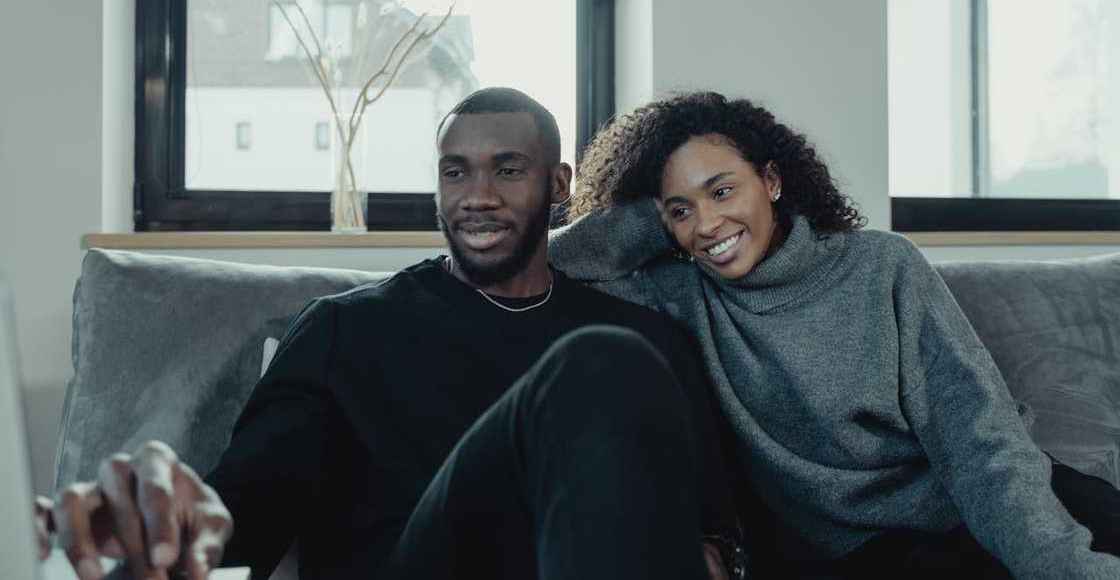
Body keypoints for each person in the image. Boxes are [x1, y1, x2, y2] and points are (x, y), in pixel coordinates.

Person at [38, 88, 745, 580]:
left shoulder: (645, 340)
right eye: (456, 171)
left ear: (557, 183)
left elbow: (716, 534)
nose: (479, 196)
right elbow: (244, 511)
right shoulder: (347, 330)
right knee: (602, 364)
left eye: (508, 169)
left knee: (612, 363)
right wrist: (165, 526)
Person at [549, 90, 1120, 579]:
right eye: (681, 210)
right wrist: (657, 208)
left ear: (771, 180)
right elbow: (558, 262)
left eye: (723, 191)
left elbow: (977, 439)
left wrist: (1059, 564)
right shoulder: (679, 295)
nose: (707, 224)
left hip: (993, 493)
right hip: (868, 549)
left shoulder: (881, 266)